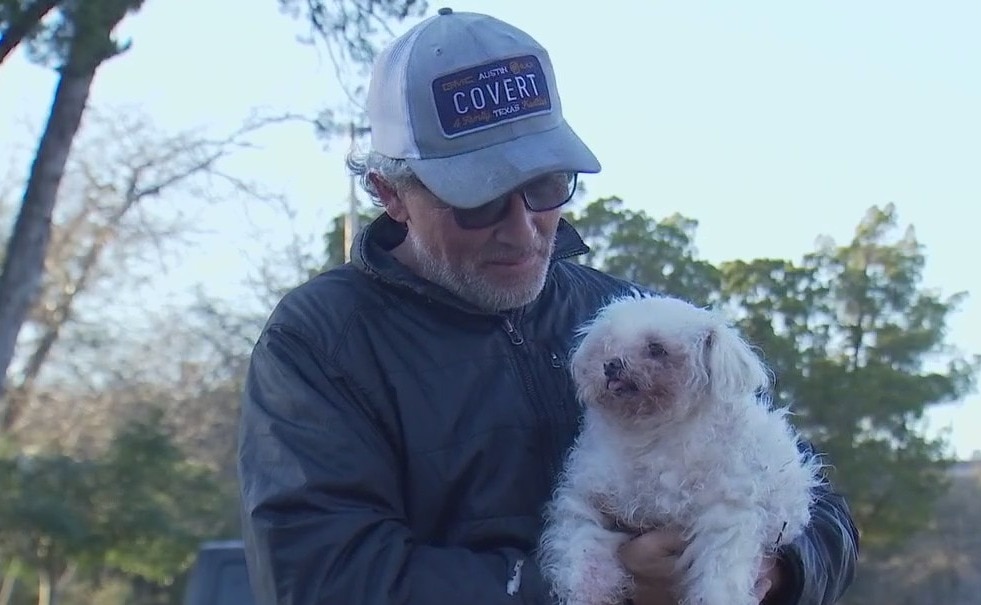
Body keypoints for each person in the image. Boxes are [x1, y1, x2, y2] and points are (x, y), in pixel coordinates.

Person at [236, 7, 859, 605]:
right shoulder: (321, 342)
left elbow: (818, 509)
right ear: (388, 192)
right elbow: (322, 582)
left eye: (544, 186)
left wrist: (772, 572)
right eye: (477, 199)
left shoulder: (623, 314)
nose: (523, 228)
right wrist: (588, 583)